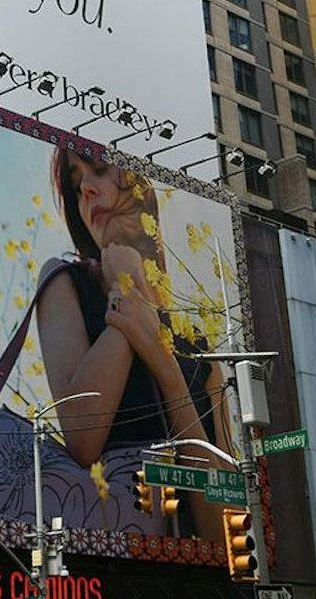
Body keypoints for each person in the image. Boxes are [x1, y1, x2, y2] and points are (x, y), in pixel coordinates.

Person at [37, 148, 232, 541]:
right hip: (104, 560)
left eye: (101, 169)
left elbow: (225, 530)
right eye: (76, 184)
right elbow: (82, 438)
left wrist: (165, 366)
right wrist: (127, 295)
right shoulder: (65, 282)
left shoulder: (199, 346)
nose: (88, 189)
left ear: (144, 184)